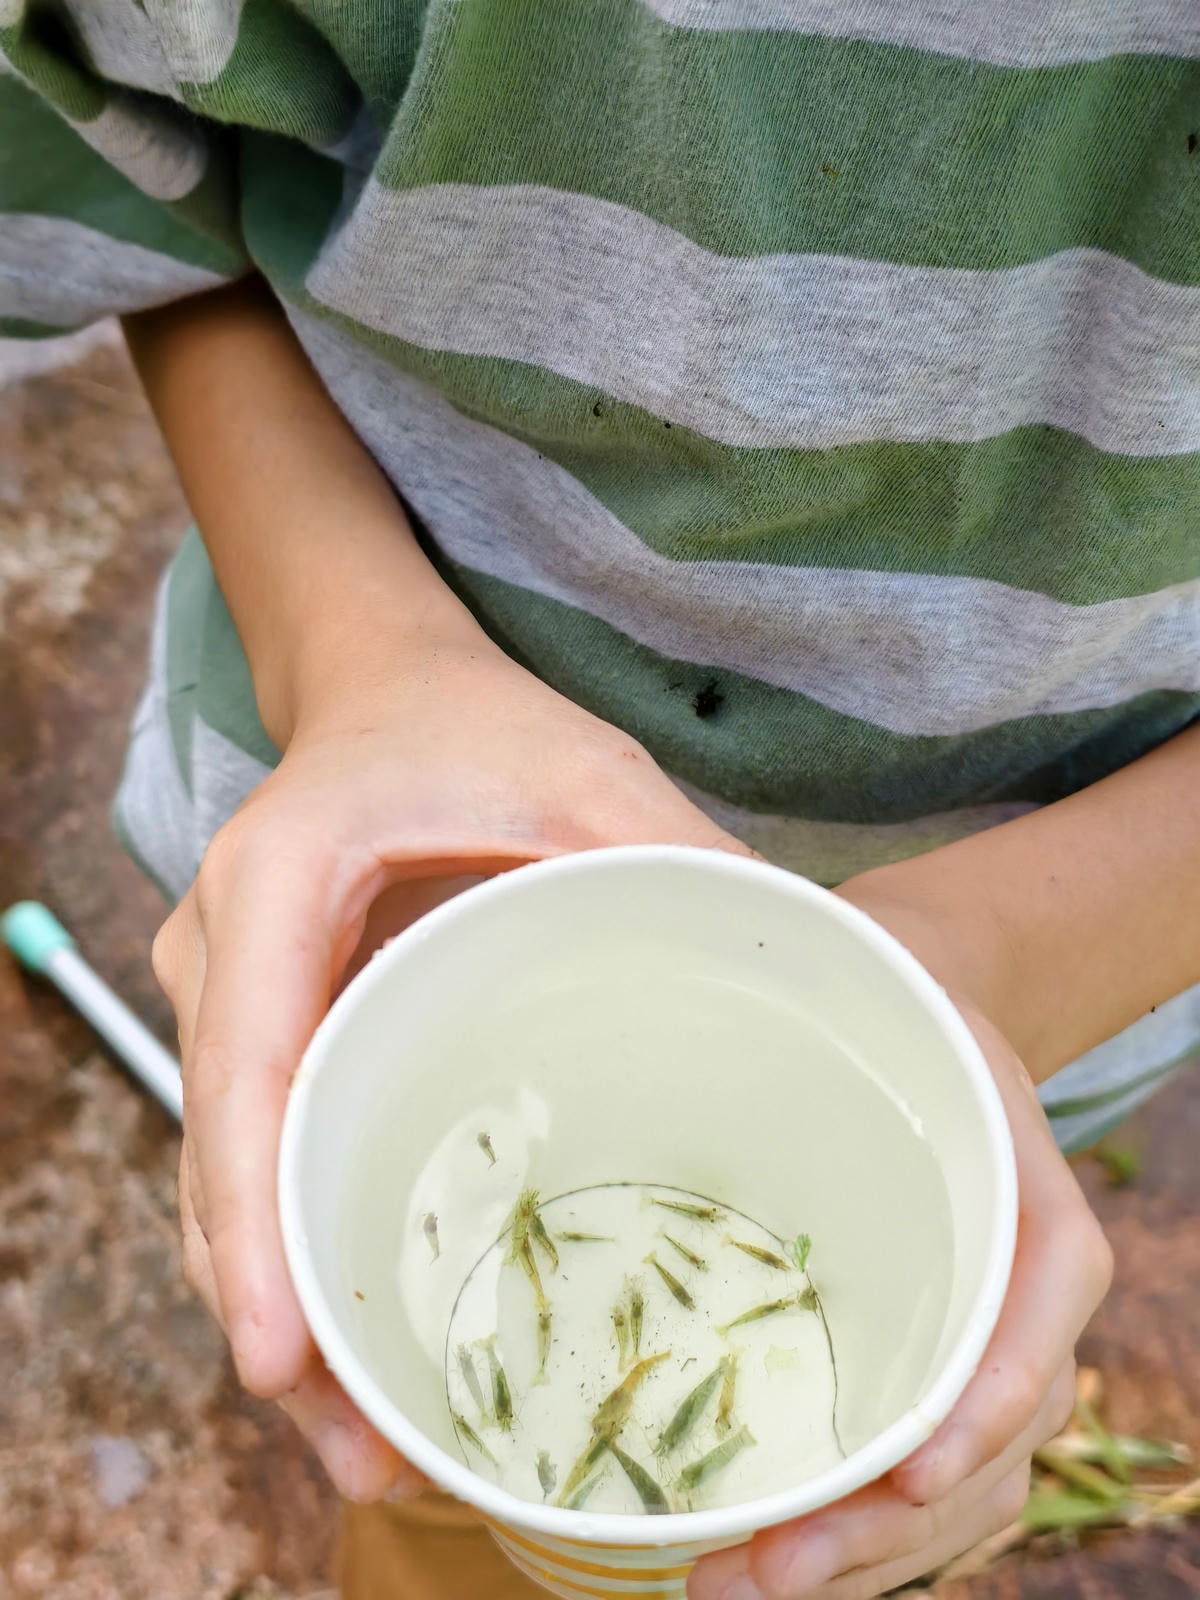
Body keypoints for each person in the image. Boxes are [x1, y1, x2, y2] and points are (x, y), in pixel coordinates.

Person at [4, 5, 1197, 1596]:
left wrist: (1006, 958)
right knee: (440, 1517)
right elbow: (135, 178)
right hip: (382, 891)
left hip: (1053, 970)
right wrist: (360, 659)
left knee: (811, 1516)